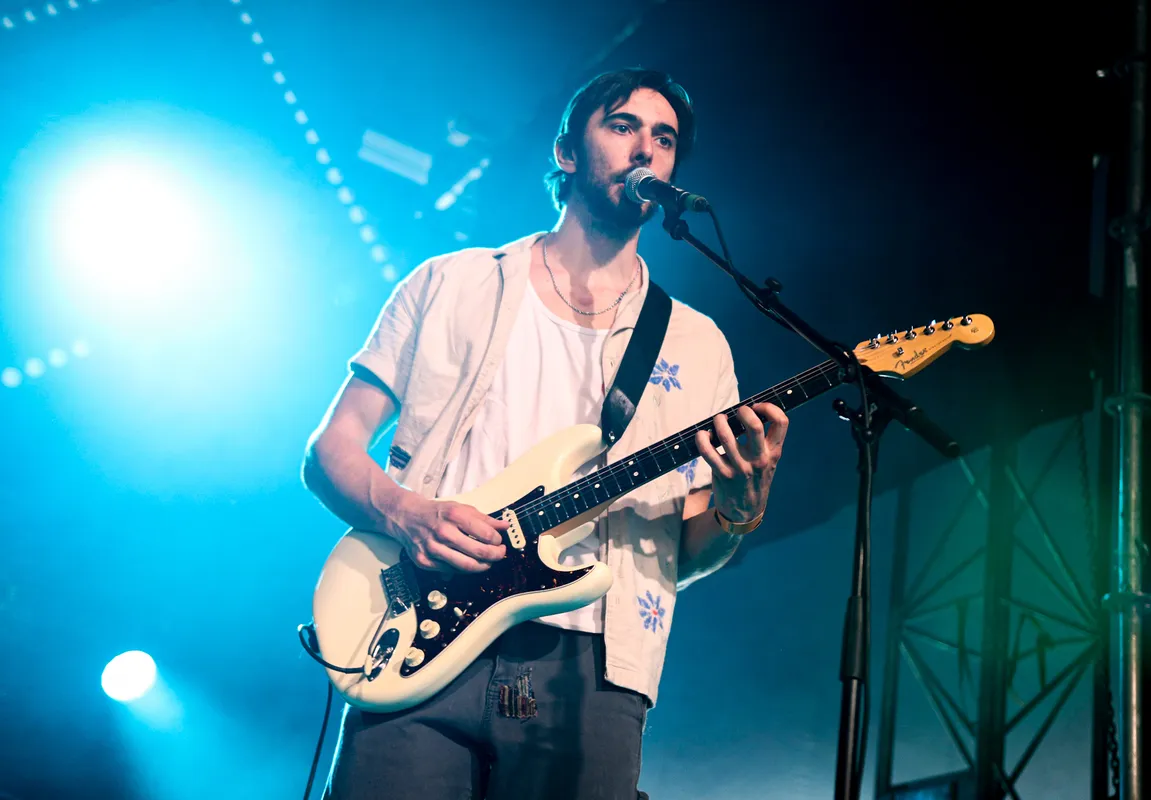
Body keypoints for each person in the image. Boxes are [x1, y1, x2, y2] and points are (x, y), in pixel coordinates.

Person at [302, 67, 790, 800]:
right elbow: (330, 451)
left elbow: (683, 555)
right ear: (566, 152)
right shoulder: (450, 283)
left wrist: (738, 510)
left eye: (665, 139)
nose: (646, 149)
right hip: (416, 625)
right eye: (623, 126)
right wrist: (404, 513)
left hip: (592, 670)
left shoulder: (697, 345)